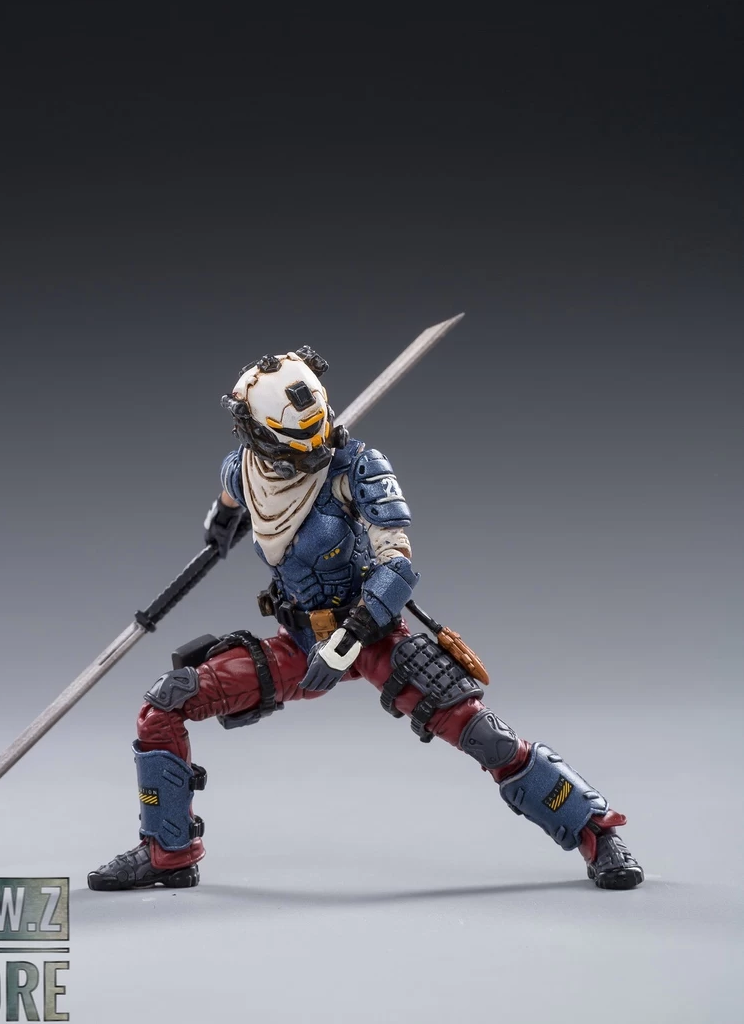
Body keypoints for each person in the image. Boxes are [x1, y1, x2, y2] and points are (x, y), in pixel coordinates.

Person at [88, 347, 643, 892]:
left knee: (486, 737)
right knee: (165, 703)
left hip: (373, 634)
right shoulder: (245, 470)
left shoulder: (355, 468)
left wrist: (349, 640)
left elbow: (397, 566)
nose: (314, 449)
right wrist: (222, 524)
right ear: (257, 435)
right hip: (299, 645)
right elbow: (233, 497)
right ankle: (168, 853)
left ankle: (596, 831)